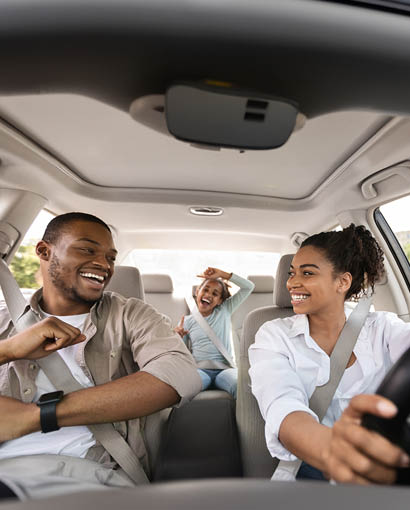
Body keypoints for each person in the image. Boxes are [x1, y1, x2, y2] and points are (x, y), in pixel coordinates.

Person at [0, 212, 201, 500]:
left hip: (87, 472)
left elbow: (180, 374)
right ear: (44, 251)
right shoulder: (5, 319)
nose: (104, 264)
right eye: (87, 249)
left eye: (110, 257)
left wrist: (36, 417)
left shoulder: (131, 315)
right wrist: (8, 349)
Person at [249, 224, 410, 482]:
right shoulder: (274, 335)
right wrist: (333, 451)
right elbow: (281, 402)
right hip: (312, 468)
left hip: (386, 463)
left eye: (307, 273)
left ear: (343, 281)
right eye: (292, 274)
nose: (292, 283)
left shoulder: (383, 327)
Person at [175, 267, 254, 398]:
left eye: (215, 294)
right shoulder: (187, 321)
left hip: (225, 370)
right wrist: (177, 338)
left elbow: (249, 287)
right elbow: (179, 354)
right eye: (205, 290)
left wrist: (223, 275)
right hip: (199, 370)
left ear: (220, 301)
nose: (208, 295)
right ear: (197, 292)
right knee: (184, 386)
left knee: (239, 385)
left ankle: (243, 418)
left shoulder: (225, 310)